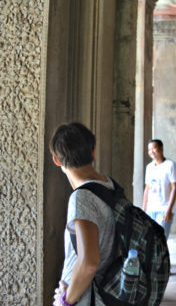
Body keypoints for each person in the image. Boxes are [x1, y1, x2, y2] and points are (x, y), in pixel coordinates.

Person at [50, 122, 115, 306]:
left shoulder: (82, 198)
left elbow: (89, 262)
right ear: (93, 152)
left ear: (56, 160)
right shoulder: (111, 187)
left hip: (86, 298)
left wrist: (65, 300)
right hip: (106, 290)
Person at [142, 139, 176, 239]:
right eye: (149, 150)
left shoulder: (170, 165)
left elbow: (174, 188)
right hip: (151, 209)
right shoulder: (149, 167)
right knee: (150, 239)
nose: (151, 152)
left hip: (164, 209)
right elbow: (147, 189)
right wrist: (144, 209)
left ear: (161, 148)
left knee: (161, 240)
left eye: (154, 148)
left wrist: (169, 210)